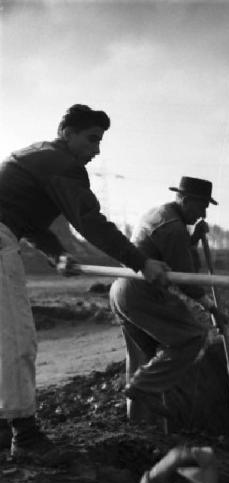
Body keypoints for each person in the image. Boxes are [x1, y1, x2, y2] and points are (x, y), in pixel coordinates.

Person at [0, 104, 169, 459]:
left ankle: (4, 426)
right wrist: (141, 262)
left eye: (100, 141)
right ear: (67, 133)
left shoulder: (33, 155)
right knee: (17, 338)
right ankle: (25, 437)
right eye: (91, 139)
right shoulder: (64, 167)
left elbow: (28, 221)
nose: (96, 150)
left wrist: (56, 253)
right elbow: (90, 222)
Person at [109, 176, 224, 421]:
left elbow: (170, 253)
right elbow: (185, 277)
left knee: (144, 358)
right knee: (192, 336)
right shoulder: (173, 227)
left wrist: (192, 238)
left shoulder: (161, 215)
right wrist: (211, 307)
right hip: (141, 292)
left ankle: (140, 424)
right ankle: (141, 388)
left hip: (122, 289)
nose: (203, 212)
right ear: (184, 200)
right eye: (201, 205)